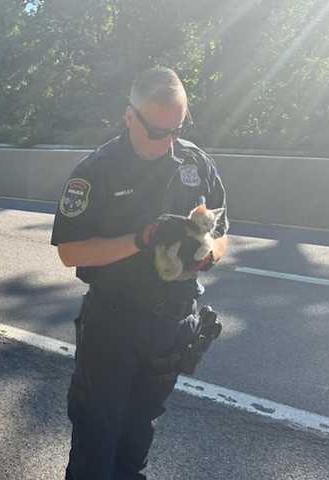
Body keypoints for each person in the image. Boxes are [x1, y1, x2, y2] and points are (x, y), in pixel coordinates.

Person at [51, 67, 229, 480]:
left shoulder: (196, 163)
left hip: (172, 326)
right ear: (130, 116)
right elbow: (70, 251)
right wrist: (142, 238)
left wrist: (207, 253)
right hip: (114, 324)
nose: (168, 141)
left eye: (177, 129)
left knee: (135, 445)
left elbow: (222, 232)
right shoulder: (95, 171)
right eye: (157, 130)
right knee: (96, 448)